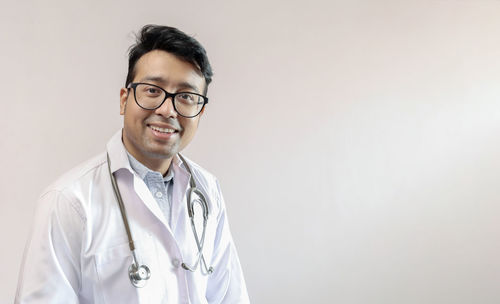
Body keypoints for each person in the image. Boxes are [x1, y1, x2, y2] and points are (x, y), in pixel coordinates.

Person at [15, 25, 250, 303]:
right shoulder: (68, 201)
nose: (168, 109)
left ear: (201, 111)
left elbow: (229, 296)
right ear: (124, 100)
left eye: (186, 97)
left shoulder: (207, 191)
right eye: (152, 90)